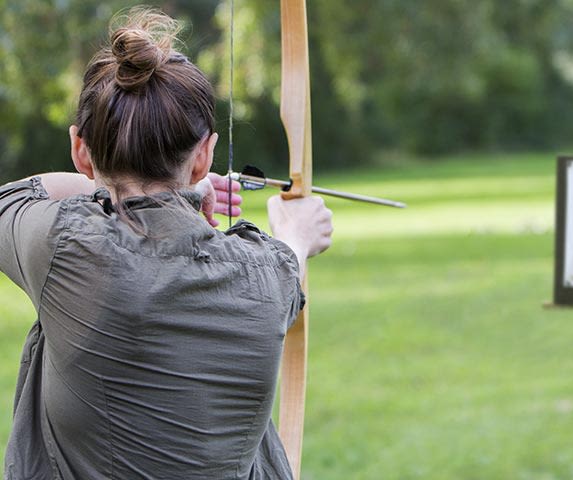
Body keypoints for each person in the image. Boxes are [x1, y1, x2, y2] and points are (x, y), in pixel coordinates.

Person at [1, 7, 332, 480]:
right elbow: (287, 260)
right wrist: (297, 234)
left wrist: (121, 184)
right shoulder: (269, 275)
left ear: (79, 150)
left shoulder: (64, 248)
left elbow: (12, 197)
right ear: (204, 156)